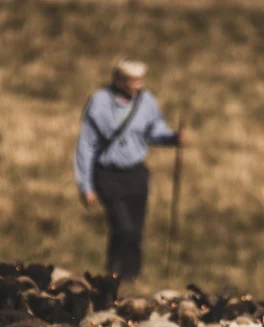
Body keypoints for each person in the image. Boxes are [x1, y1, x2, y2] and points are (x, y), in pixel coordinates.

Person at [74, 59, 187, 281]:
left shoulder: (147, 103)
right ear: (119, 81)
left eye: (140, 80)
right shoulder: (99, 103)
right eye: (133, 81)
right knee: (123, 227)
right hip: (107, 174)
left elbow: (154, 131)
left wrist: (172, 138)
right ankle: (114, 274)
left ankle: (131, 277)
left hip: (136, 173)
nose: (139, 86)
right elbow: (85, 145)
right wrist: (86, 186)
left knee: (135, 229)